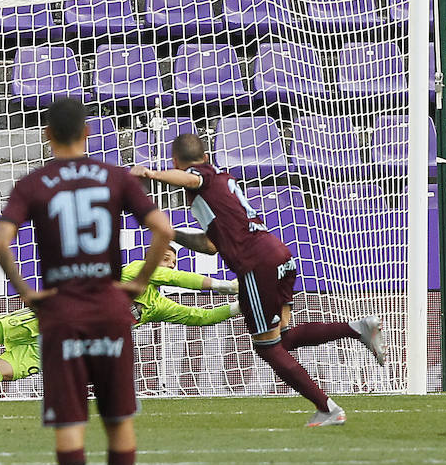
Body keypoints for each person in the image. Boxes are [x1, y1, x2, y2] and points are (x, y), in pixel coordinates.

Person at [0, 98, 174, 465]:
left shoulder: (33, 183)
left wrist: (27, 292)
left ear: (47, 135)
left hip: (63, 312)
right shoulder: (114, 177)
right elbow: (164, 231)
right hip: (111, 309)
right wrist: (139, 282)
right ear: (88, 134)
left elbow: (0, 241)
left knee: (70, 421)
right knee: (118, 417)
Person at [132, 135, 385, 426]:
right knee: (282, 337)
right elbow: (211, 245)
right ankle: (356, 328)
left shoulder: (202, 176)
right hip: (279, 254)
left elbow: (190, 179)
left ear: (176, 161)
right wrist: (170, 232)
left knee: (266, 346)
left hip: (255, 264)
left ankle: (327, 408)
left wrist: (150, 173)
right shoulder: (220, 185)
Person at [0, 246, 242, 399]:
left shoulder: (156, 306)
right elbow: (182, 281)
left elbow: (201, 317)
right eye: (164, 260)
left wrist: (243, 306)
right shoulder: (133, 271)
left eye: (173, 261)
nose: (167, 265)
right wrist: (228, 285)